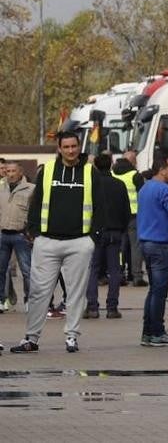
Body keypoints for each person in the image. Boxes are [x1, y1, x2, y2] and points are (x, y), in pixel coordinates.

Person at [11, 132, 106, 354]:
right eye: (66, 147)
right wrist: (34, 232)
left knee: (75, 293)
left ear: (79, 147)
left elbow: (100, 206)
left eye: (74, 146)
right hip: (47, 242)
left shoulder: (90, 172)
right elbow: (36, 202)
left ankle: (72, 336)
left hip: (79, 243)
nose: (71, 151)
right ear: (59, 148)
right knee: (38, 292)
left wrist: (93, 238)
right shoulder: (47, 171)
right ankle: (31, 338)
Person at [138, 149, 168, 346]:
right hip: (162, 244)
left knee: (154, 290)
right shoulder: (165, 190)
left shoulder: (145, 188)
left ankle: (148, 331)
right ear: (162, 169)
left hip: (146, 243)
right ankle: (156, 331)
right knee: (160, 292)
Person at [85, 153, 130, 320]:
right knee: (114, 270)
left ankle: (92, 307)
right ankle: (112, 308)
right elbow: (126, 209)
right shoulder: (119, 184)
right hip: (115, 231)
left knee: (93, 270)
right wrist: (122, 228)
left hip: (95, 232)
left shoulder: (92, 185)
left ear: (95, 166)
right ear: (111, 165)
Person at [0, 160, 35, 314]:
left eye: (13, 171)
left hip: (21, 235)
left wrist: (30, 232)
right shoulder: (1, 188)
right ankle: (1, 300)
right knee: (1, 270)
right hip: (3, 234)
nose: (10, 174)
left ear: (20, 172)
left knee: (27, 270)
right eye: (8, 171)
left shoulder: (31, 189)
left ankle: (29, 300)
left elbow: (34, 212)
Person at [114, 148, 147, 287]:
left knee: (120, 247)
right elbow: (143, 195)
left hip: (117, 215)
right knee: (136, 247)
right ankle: (137, 276)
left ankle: (119, 274)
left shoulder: (113, 173)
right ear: (132, 162)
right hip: (134, 215)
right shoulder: (135, 175)